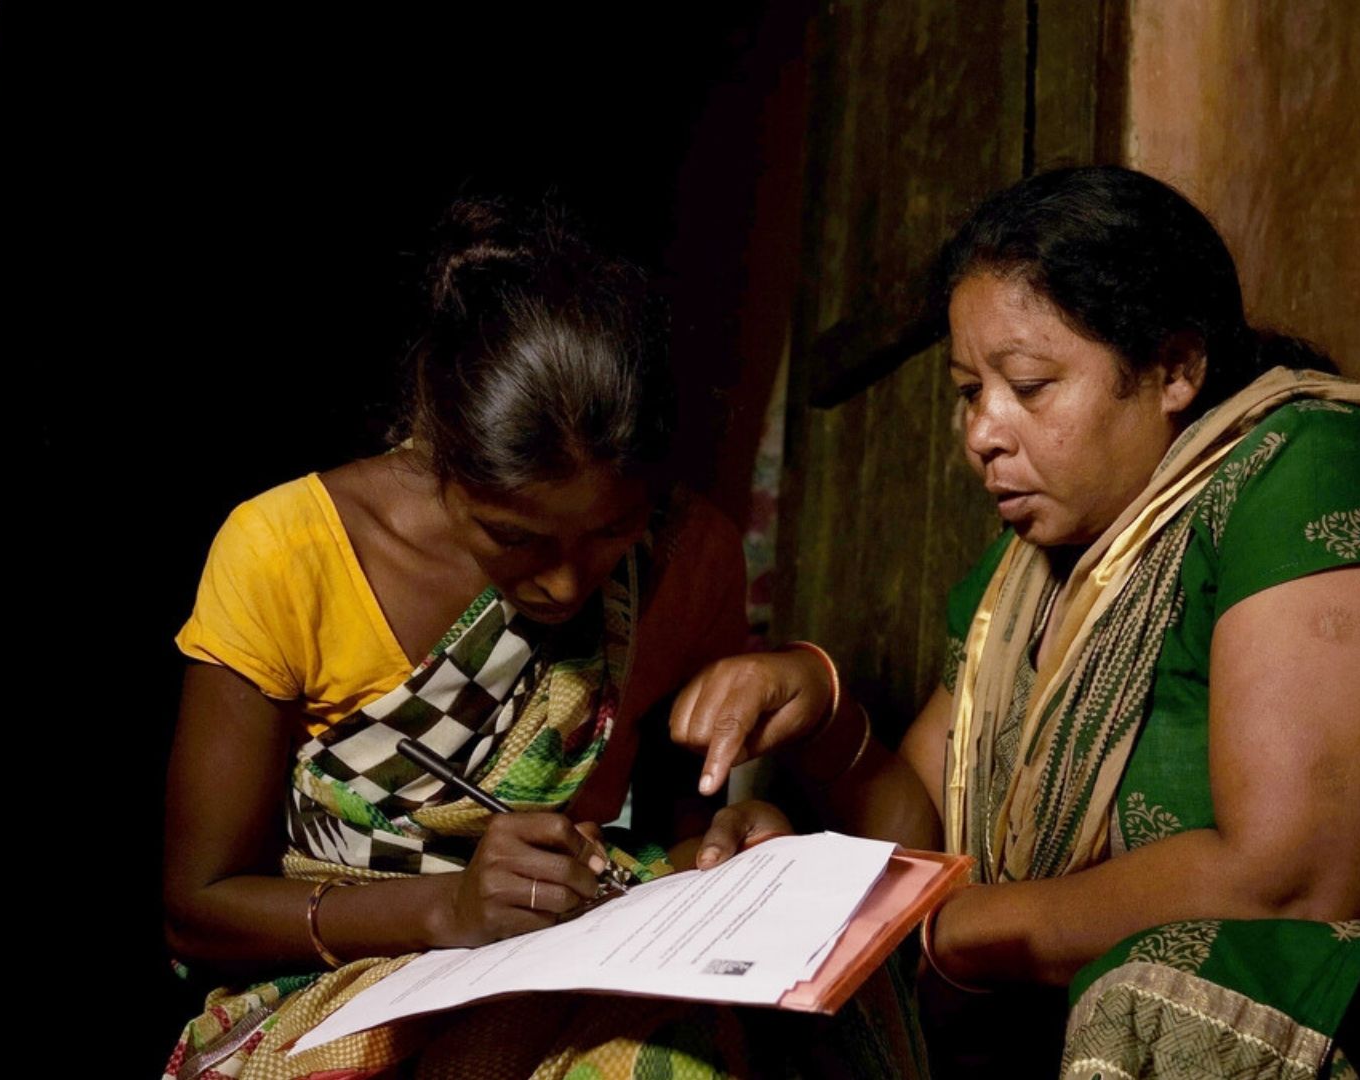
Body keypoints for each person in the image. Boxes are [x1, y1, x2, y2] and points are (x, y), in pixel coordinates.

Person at [672, 166, 1360, 1078]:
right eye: (969, 392)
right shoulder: (1032, 572)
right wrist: (822, 716)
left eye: (1030, 386)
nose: (982, 433)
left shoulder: (1313, 474)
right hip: (1055, 1017)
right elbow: (927, 839)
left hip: (1322, 1023)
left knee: (1154, 1000)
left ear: (1173, 368)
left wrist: (954, 934)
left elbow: (1291, 884)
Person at [161, 200, 921, 1080]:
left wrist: (727, 852)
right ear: (442, 456)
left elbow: (678, 836)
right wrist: (447, 910)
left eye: (609, 533)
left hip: (573, 955)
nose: (565, 583)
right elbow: (198, 908)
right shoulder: (286, 551)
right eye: (512, 536)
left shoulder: (684, 557)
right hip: (326, 986)